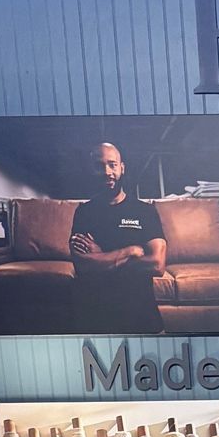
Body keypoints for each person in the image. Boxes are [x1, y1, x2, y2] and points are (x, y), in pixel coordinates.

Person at [68, 140, 168, 330]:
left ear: (122, 167)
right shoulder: (84, 212)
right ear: (91, 170)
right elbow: (83, 266)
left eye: (112, 164)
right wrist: (130, 252)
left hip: (142, 314)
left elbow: (157, 264)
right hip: (97, 315)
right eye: (99, 166)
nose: (107, 172)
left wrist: (101, 256)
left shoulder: (145, 211)